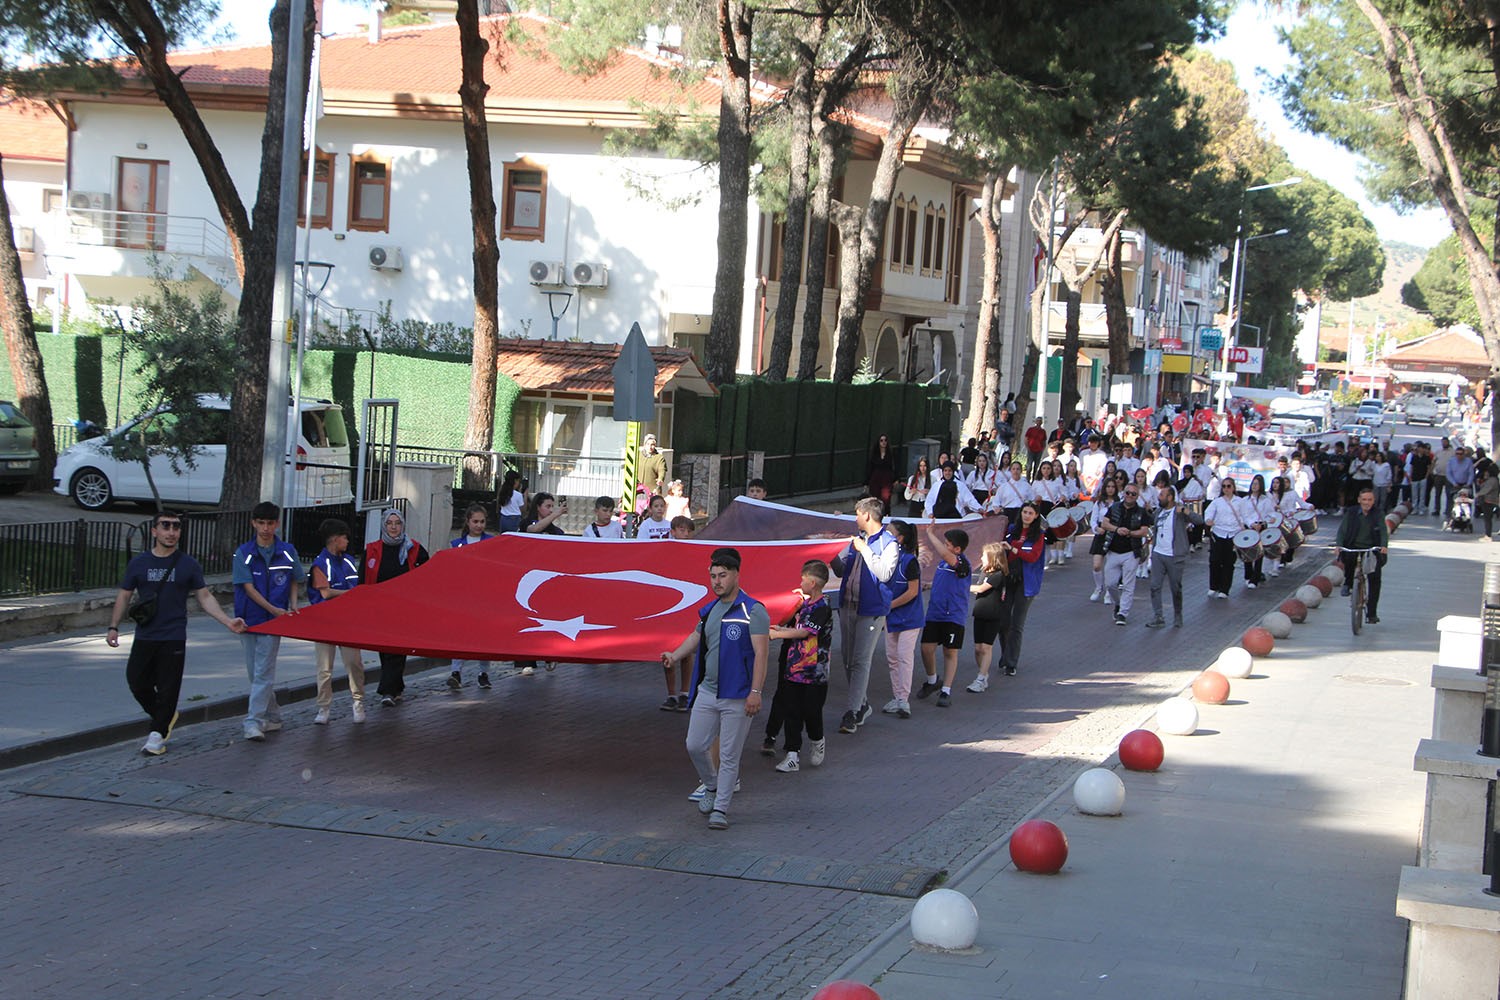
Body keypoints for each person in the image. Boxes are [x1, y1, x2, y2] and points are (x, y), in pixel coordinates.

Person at [108, 511, 246, 755]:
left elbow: (204, 596)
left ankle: (157, 734)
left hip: (173, 635)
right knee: (136, 681)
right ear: (154, 531)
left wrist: (227, 621)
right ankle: (166, 715)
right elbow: (124, 595)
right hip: (145, 634)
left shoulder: (188, 564)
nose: (171, 532)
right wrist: (113, 626)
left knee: (168, 686)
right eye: (166, 526)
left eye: (176, 527)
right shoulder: (139, 564)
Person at [663, 548, 770, 831]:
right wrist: (674, 656)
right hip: (708, 691)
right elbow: (696, 637)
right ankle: (711, 786)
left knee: (729, 753)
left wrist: (755, 692)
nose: (717, 581)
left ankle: (720, 808)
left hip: (738, 695)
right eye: (713, 576)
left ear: (736, 574)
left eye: (723, 575)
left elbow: (762, 655)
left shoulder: (754, 611)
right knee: (695, 744)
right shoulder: (710, 610)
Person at [232, 502, 304, 741]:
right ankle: (273, 716)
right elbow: (248, 588)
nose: (265, 528)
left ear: (277, 524)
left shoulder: (286, 550)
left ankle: (252, 722)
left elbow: (295, 578)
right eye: (261, 523)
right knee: (255, 674)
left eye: (270, 523)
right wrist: (274, 609)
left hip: (274, 623)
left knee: (263, 673)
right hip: (250, 619)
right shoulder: (243, 553)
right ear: (253, 523)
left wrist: (293, 603)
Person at [829, 497, 900, 734]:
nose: (855, 518)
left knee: (860, 660)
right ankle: (862, 703)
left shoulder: (889, 543)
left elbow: (884, 573)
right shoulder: (856, 541)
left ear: (867, 515)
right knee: (848, 658)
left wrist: (865, 550)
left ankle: (852, 711)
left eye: (857, 514)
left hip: (871, 609)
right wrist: (830, 550)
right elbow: (840, 569)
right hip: (848, 605)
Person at [766, 560, 834, 774]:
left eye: (803, 579)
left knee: (811, 711)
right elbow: (796, 627)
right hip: (794, 668)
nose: (800, 583)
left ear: (812, 582)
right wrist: (779, 627)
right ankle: (792, 754)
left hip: (815, 672)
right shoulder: (804, 605)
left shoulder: (822, 607)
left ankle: (817, 739)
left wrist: (777, 634)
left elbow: (804, 632)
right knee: (791, 711)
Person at [365, 508, 429, 705]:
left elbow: (428, 572)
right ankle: (397, 685)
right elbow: (363, 578)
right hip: (381, 607)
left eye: (397, 523)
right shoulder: (373, 549)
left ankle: (388, 691)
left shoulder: (414, 548)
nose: (393, 527)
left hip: (404, 607)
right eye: (390, 523)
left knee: (397, 648)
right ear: (384, 526)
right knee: (385, 648)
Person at [309, 517, 370, 719]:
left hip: (348, 620)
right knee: (324, 667)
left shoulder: (349, 561)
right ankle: (324, 707)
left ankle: (358, 702)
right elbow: (325, 593)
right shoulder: (320, 563)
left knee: (354, 663)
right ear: (335, 539)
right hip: (325, 620)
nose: (347, 541)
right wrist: (352, 594)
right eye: (344, 537)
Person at [916, 520, 971, 707]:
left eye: (948, 545)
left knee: (950, 651)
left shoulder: (962, 562)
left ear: (957, 549)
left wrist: (931, 534)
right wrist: (929, 586)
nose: (944, 547)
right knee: (926, 648)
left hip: (953, 614)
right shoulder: (944, 563)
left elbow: (947, 557)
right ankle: (933, 680)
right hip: (935, 613)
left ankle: (946, 690)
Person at [994, 502, 1046, 679]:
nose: (1027, 515)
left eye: (1030, 513)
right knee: (1003, 621)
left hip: (1027, 581)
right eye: (1024, 512)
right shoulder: (1011, 529)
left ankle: (1011, 662)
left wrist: (1013, 548)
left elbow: (1033, 557)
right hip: (1009, 578)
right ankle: (1005, 654)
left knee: (1017, 624)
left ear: (1036, 516)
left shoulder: (1039, 535)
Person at [446, 504, 496, 691]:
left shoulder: (491, 543)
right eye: (475, 521)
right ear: (468, 522)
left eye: (482, 521)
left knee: (483, 637)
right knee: (460, 635)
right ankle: (456, 671)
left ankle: (483, 673)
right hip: (463, 597)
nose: (479, 525)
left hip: (484, 597)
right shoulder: (456, 544)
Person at [879, 519, 924, 719]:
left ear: (900, 538)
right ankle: (897, 696)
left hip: (909, 618)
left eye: (889, 532)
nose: (885, 535)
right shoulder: (886, 559)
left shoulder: (909, 561)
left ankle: (903, 700)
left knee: (904, 656)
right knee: (892, 658)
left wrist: (889, 606)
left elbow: (913, 592)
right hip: (891, 616)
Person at [1145, 485, 1203, 629]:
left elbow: (1199, 520)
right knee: (1154, 586)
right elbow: (1153, 522)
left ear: (1170, 497)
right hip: (1158, 553)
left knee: (1175, 587)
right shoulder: (1159, 511)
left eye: (1162, 495)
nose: (1159, 497)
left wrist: (1185, 510)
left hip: (1175, 555)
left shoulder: (1179, 512)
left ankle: (1178, 615)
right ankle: (1158, 616)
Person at [1336, 487, 1390, 625]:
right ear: (1359, 500)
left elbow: (1383, 530)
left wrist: (1384, 545)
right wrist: (1339, 545)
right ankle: (1348, 583)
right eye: (1364, 500)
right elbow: (1342, 530)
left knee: (1375, 579)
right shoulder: (1352, 512)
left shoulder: (1378, 513)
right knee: (1348, 560)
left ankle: (1371, 613)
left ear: (1374, 501)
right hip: (1353, 546)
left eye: (1370, 500)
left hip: (1371, 549)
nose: (1367, 503)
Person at [1099, 481, 1150, 626]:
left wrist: (1131, 533)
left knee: (1128, 584)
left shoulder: (1141, 512)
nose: (1130, 496)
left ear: (1137, 496)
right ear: (1123, 494)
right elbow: (1104, 523)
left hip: (1131, 552)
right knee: (1110, 584)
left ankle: (1123, 613)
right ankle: (1118, 604)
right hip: (1113, 550)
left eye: (1133, 494)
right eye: (1128, 493)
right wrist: (1117, 529)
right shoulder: (1114, 507)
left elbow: (1145, 531)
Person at [966, 542, 1013, 692]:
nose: (981, 558)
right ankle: (983, 674)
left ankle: (980, 678)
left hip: (993, 615)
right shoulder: (985, 572)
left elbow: (980, 588)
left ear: (993, 558)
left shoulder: (998, 575)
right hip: (980, 612)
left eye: (984, 556)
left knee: (986, 647)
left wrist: (961, 586)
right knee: (977, 648)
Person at [1203, 478, 1245, 600]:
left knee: (1228, 562)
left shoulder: (1240, 502)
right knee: (1215, 560)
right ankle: (1213, 586)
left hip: (1233, 534)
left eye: (1229, 486)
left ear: (1233, 488)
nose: (1226, 489)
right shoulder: (1217, 501)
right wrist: (1208, 520)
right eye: (1224, 486)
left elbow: (1245, 515)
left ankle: (1224, 589)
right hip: (1218, 532)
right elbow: (1209, 512)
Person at [1088, 476, 1123, 604]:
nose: (1110, 489)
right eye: (1108, 486)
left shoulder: (1119, 503)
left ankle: (1109, 591)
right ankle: (1098, 587)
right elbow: (1093, 519)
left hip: (1114, 535)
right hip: (1101, 534)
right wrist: (1096, 529)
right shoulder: (1099, 503)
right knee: (1097, 565)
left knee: (1111, 566)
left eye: (1113, 487)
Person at [866, 434, 897, 513]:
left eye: (885, 440)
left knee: (886, 500)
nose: (883, 442)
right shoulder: (874, 454)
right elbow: (870, 467)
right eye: (881, 440)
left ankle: (886, 515)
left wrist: (896, 479)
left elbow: (894, 466)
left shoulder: (890, 453)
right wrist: (866, 482)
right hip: (876, 478)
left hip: (887, 479)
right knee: (875, 500)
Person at [637, 433, 668, 511]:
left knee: (651, 512)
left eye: (653, 444)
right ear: (644, 445)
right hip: (638, 490)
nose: (650, 447)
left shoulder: (659, 458)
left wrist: (661, 478)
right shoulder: (638, 455)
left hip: (652, 490)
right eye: (648, 444)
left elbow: (662, 469)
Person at [1476, 466, 1499, 539]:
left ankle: (1488, 535)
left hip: (1488, 500)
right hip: (1489, 500)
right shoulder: (1493, 480)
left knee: (1487, 518)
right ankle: (1487, 534)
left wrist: (1478, 494)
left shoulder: (1492, 480)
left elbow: (1486, 489)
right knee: (1487, 518)